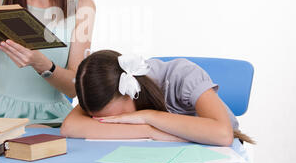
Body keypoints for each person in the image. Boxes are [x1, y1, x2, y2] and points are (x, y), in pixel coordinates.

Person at [61, 50, 255, 145]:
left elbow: (222, 134)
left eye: (118, 119)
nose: (117, 124)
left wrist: (148, 117)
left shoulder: (182, 75)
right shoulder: (102, 91)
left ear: (130, 92)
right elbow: (69, 127)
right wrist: (149, 131)